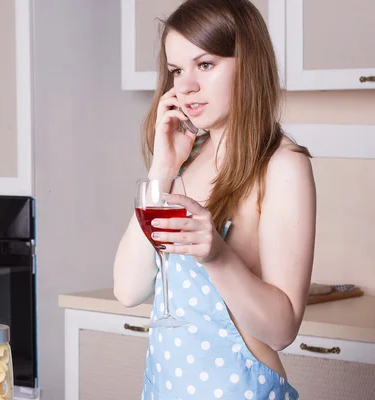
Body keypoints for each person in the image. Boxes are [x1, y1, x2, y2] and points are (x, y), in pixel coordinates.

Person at [113, 0, 316, 399]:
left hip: (239, 389)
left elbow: (282, 331)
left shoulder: (282, 166)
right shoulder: (184, 162)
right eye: (176, 70)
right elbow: (128, 289)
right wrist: (162, 170)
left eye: (205, 65)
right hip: (168, 387)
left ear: (249, 63)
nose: (185, 86)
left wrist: (218, 255)